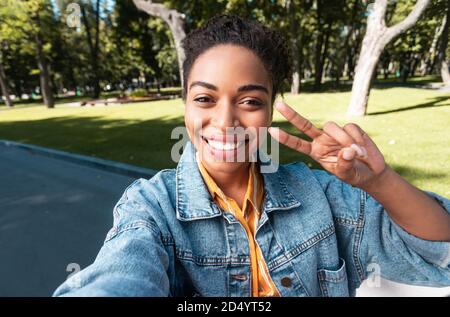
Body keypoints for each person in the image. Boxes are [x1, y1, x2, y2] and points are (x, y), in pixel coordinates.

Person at [53, 14, 450, 297]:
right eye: (205, 98)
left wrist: (380, 182)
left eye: (250, 100)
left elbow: (437, 251)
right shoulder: (151, 206)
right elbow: (120, 276)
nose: (226, 121)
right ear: (186, 105)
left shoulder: (318, 193)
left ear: (271, 108)